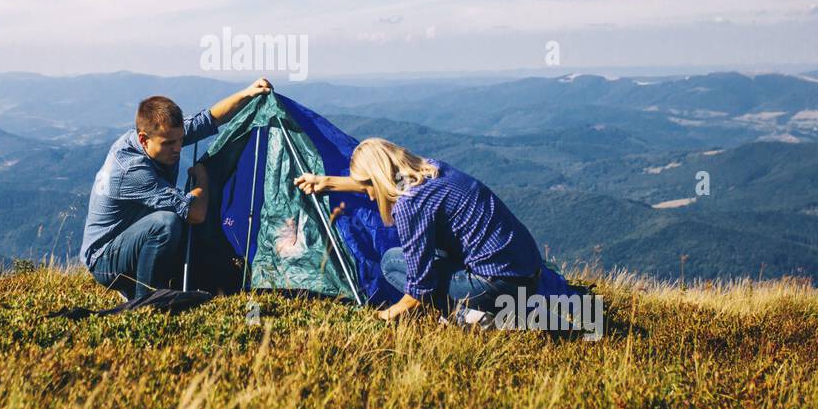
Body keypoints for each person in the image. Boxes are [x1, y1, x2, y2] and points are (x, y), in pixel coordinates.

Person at [294, 138, 543, 322]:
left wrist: (382, 318)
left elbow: (419, 289)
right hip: (526, 270)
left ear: (377, 178)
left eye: (367, 186)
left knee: (392, 263)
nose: (370, 196)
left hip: (500, 283)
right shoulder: (428, 170)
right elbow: (380, 182)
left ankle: (471, 319)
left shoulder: (409, 205)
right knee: (405, 257)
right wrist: (327, 182)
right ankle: (489, 309)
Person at [80, 78, 273, 299]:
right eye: (169, 144)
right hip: (105, 260)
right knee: (166, 223)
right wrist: (202, 180)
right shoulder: (131, 170)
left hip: (134, 240)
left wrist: (247, 93)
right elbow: (195, 213)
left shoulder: (163, 135)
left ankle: (161, 286)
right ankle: (146, 300)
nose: (177, 149)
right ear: (143, 139)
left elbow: (208, 119)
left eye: (180, 140)